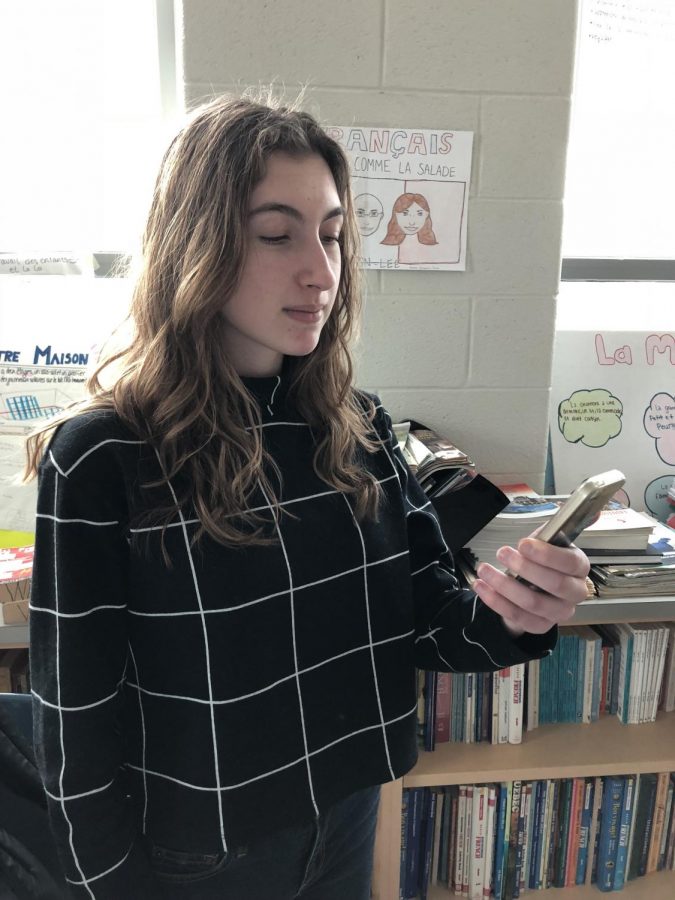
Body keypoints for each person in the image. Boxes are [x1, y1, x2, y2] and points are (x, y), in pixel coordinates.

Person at [25, 94, 590, 900]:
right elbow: (72, 721)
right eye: (275, 234)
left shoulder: (353, 424)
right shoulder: (106, 455)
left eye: (330, 234)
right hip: (203, 854)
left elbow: (430, 622)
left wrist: (518, 610)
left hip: (347, 810)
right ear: (198, 241)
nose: (321, 272)